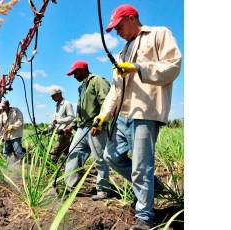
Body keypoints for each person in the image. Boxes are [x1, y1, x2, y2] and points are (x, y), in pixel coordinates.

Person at [91, 4, 182, 229]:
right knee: (111, 155)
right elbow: (115, 88)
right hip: (124, 112)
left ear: (132, 18)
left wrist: (138, 67)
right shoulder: (122, 52)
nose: (118, 32)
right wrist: (103, 115)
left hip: (146, 111)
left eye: (119, 26)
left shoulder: (159, 34)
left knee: (141, 166)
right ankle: (153, 187)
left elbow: (173, 67)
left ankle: (144, 218)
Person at [62, 60, 111, 200]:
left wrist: (100, 122)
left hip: (96, 127)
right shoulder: (81, 87)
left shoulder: (98, 81)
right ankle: (70, 186)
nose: (74, 76)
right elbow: (80, 112)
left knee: (100, 158)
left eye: (75, 72)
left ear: (83, 70)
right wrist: (72, 126)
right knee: (73, 153)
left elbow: (106, 103)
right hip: (82, 128)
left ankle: (103, 190)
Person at [41, 87, 74, 163]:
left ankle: (50, 170)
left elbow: (71, 117)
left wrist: (58, 121)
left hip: (64, 133)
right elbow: (54, 122)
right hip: (58, 133)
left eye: (53, 96)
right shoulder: (57, 106)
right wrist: (46, 130)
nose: (52, 98)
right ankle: (76, 168)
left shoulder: (67, 104)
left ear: (59, 94)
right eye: (51, 97)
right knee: (68, 153)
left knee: (54, 153)